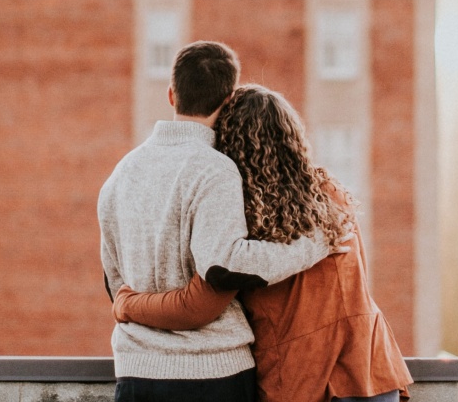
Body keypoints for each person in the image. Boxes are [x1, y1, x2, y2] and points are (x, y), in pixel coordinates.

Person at [112, 84, 413, 402]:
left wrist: (127, 303)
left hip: (298, 380)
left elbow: (199, 304)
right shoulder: (331, 197)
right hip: (367, 371)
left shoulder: (243, 217)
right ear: (293, 139)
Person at [99, 43, 346, 402]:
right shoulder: (215, 170)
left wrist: (133, 307)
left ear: (171, 95)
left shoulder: (119, 175)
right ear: (229, 100)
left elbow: (115, 283)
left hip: (135, 375)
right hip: (212, 376)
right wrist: (312, 243)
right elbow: (225, 264)